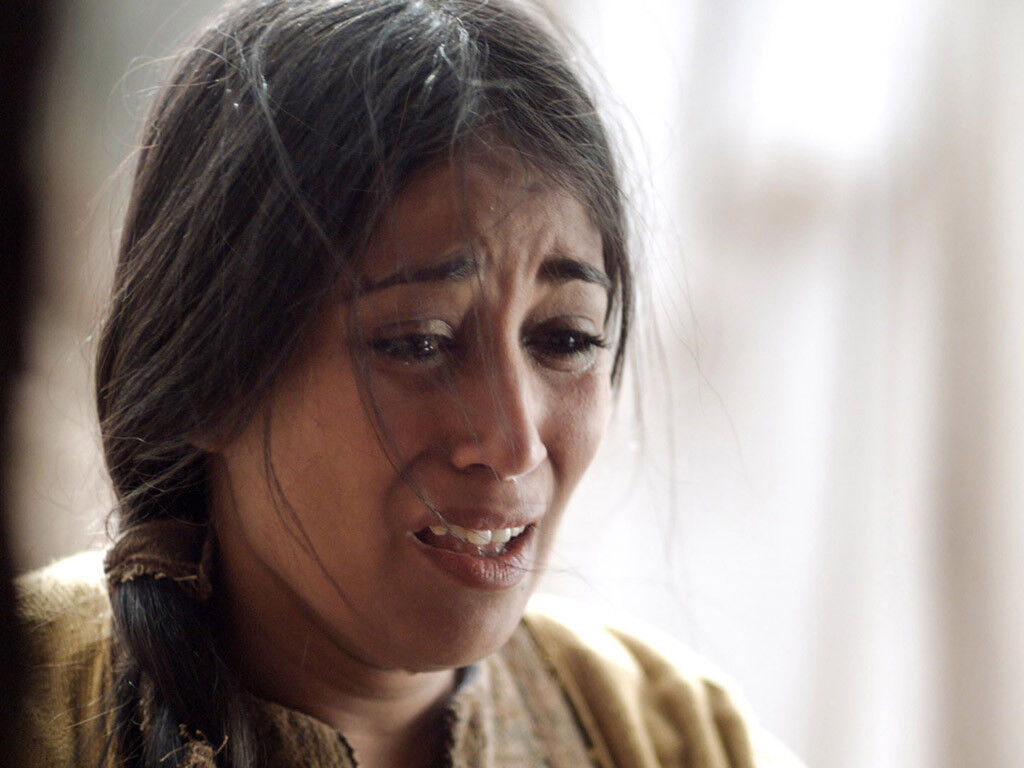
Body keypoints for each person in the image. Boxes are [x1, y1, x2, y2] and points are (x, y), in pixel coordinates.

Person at [16, 1, 804, 766]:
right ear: (206, 376)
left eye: (565, 339)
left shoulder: (674, 736)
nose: (515, 444)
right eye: (420, 342)